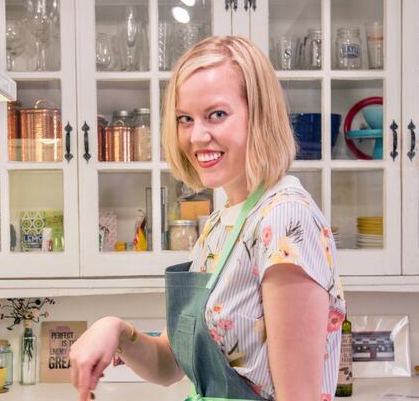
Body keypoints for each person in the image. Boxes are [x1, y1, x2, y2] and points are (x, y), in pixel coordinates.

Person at [70, 36, 346, 401]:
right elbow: (171, 364)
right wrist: (116, 330)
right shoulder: (220, 224)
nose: (197, 136)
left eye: (216, 114)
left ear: (259, 115)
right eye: (186, 118)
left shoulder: (285, 220)